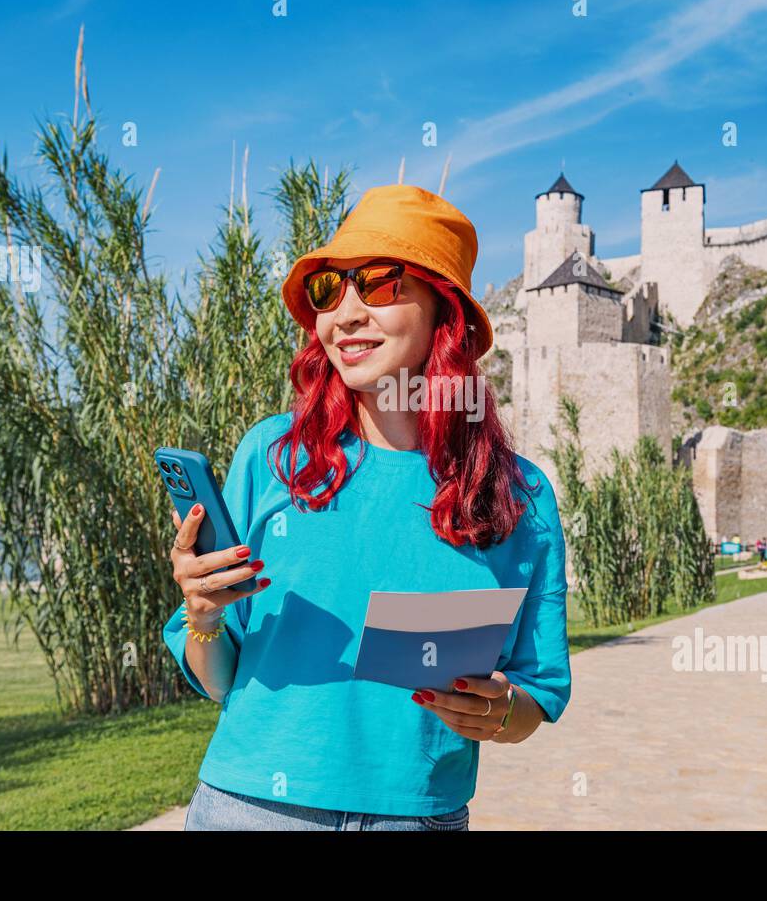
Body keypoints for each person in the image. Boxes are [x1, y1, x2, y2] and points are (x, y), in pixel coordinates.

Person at [163, 184, 571, 831]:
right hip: (251, 810)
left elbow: (537, 693)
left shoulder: (521, 495)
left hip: (420, 816)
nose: (345, 314)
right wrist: (204, 615)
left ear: (447, 311)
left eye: (379, 284)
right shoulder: (271, 455)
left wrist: (496, 713)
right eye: (330, 290)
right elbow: (218, 679)